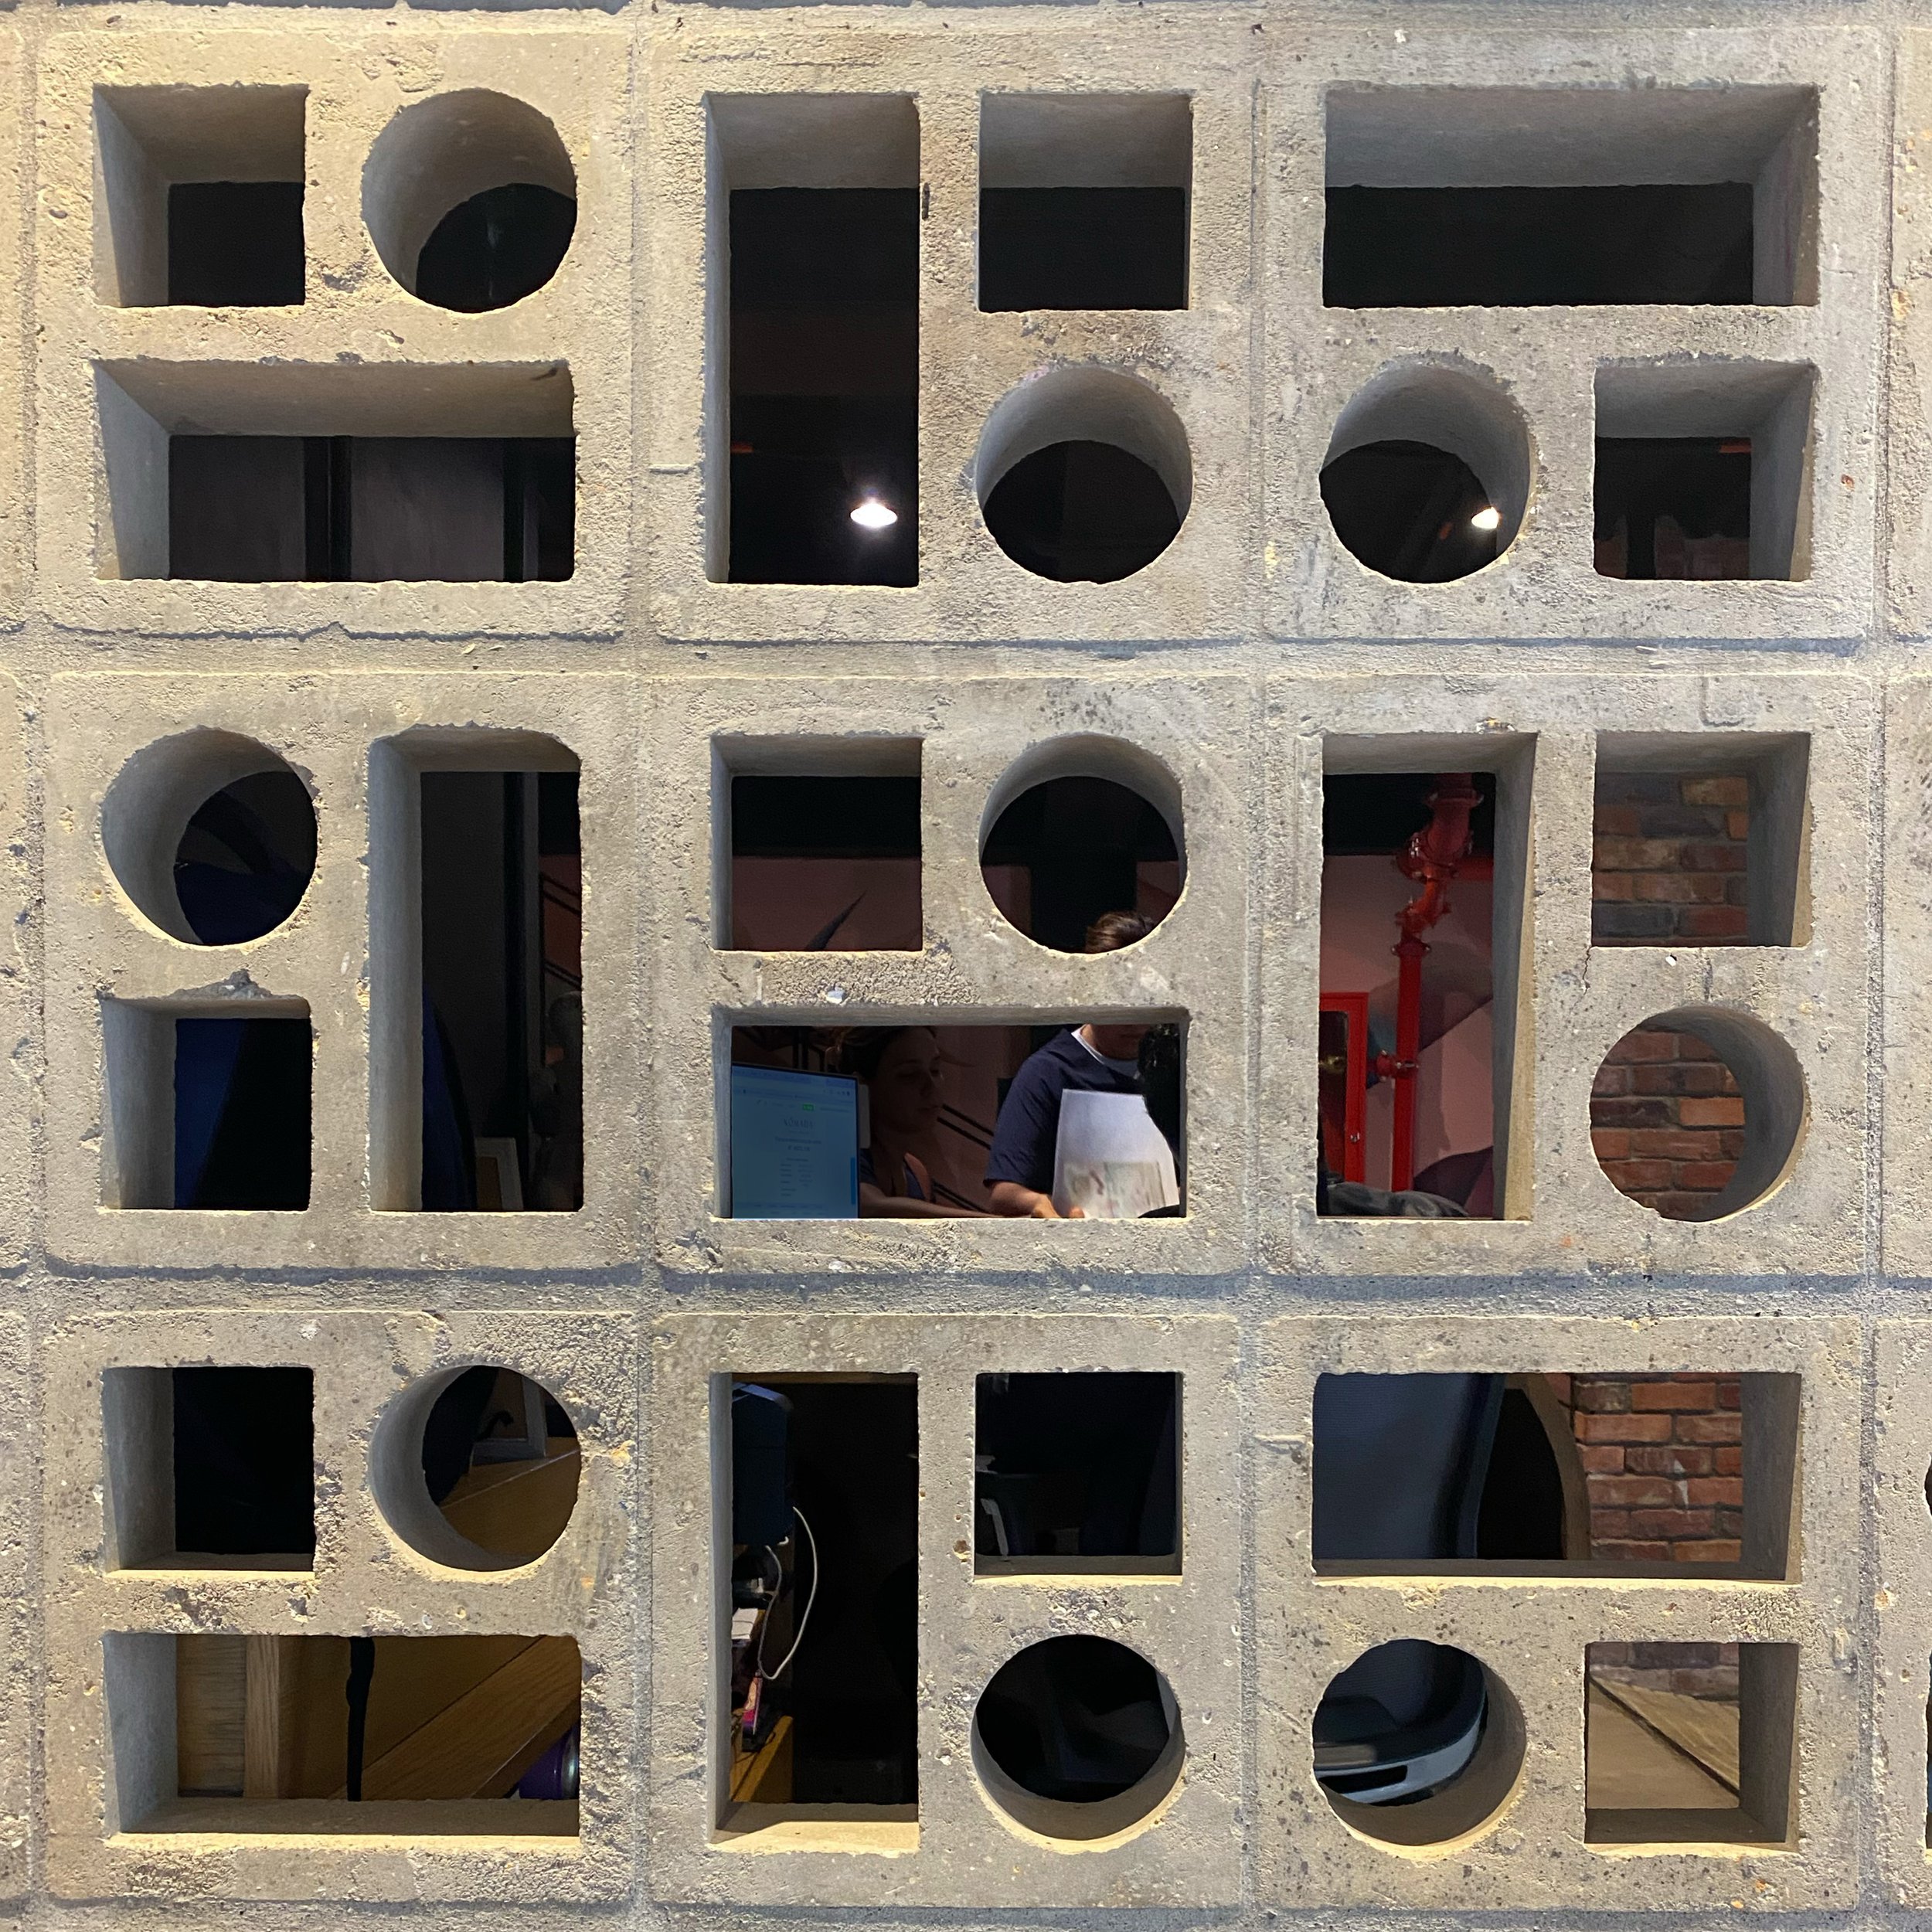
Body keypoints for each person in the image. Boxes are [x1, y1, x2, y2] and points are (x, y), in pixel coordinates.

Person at [985, 912, 1162, 1219]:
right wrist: (1039, 1204)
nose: (1133, 1019)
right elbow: (1004, 1193)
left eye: (1145, 999)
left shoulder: (1175, 1067)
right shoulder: (1047, 1072)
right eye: (1118, 999)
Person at [839, 1027, 987, 1219]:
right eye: (909, 1074)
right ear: (862, 1085)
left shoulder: (916, 1171)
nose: (931, 1086)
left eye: (935, 1070)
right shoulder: (841, 1153)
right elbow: (869, 1206)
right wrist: (999, 1224)